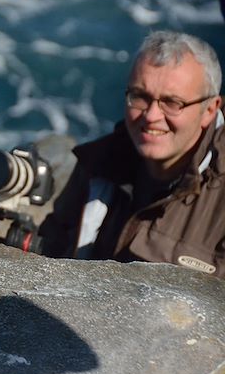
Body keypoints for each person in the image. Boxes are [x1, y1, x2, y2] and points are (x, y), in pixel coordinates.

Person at [41, 31, 225, 278]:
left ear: (210, 110)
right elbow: (51, 251)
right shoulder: (97, 164)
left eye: (172, 103)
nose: (151, 116)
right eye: (140, 96)